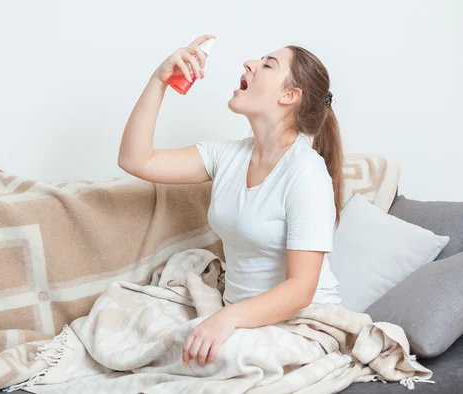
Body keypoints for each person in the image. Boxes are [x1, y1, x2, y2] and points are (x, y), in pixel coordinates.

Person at [118, 34, 344, 370]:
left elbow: (301, 289)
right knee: (133, 322)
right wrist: (160, 80)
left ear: (289, 95)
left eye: (267, 64)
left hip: (300, 322)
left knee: (206, 358)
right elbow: (137, 161)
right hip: (240, 318)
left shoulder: (305, 172)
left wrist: (226, 319)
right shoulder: (227, 155)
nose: (249, 64)